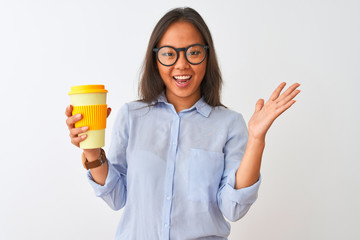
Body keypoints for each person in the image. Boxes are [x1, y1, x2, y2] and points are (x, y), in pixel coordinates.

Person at [65, 7, 300, 240]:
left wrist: (257, 139)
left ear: (207, 57)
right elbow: (116, 197)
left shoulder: (229, 124)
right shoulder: (131, 116)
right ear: (155, 59)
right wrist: (91, 149)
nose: (181, 65)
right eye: (169, 54)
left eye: (194, 52)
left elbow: (233, 209)